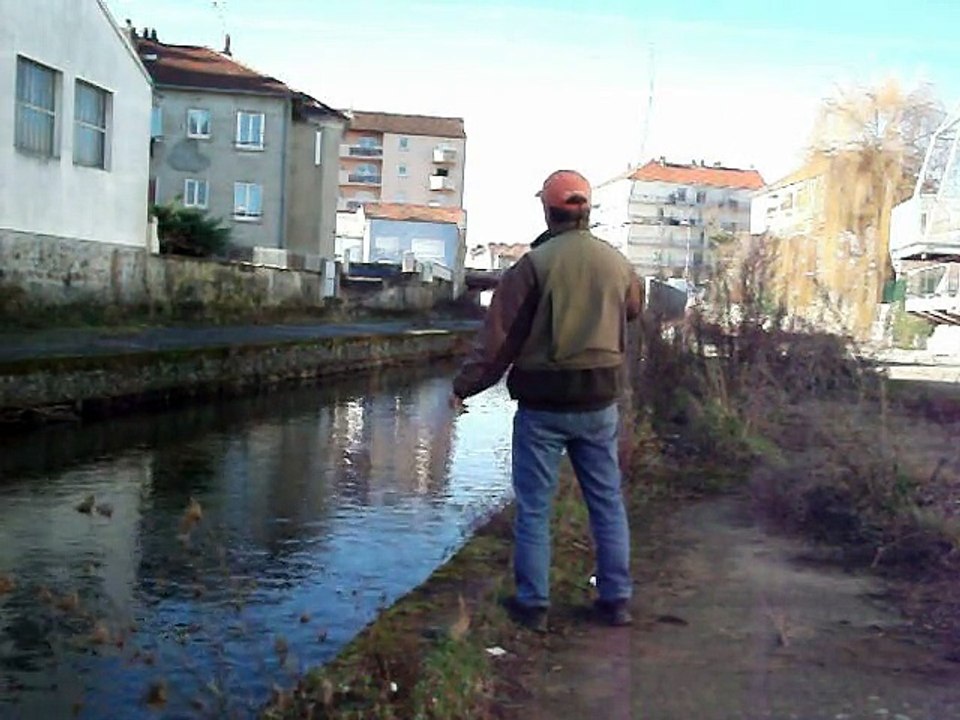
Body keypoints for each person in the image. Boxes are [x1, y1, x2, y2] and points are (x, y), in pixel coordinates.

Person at [450, 169, 642, 632]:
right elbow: (634, 309)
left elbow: (499, 342)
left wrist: (463, 388)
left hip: (543, 406)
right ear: (588, 210)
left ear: (546, 210)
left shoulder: (531, 267)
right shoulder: (618, 263)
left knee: (535, 506)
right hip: (599, 401)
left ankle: (533, 604)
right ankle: (615, 600)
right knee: (607, 502)